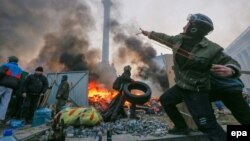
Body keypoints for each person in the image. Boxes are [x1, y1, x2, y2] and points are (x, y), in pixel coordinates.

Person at [140, 13, 241, 141]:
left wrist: (231, 70)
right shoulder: (178, 40)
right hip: (182, 85)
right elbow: (164, 37)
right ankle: (181, 127)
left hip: (197, 90)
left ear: (194, 28)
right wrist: (148, 33)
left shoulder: (211, 49)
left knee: (207, 125)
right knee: (166, 99)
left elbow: (230, 61)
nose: (184, 26)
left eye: (187, 24)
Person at [0, 56, 22, 125]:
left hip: (2, 85)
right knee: (5, 103)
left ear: (10, 60)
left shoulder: (6, 65)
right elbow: (19, 80)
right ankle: (1, 118)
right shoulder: (20, 70)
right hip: (11, 88)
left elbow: (0, 73)